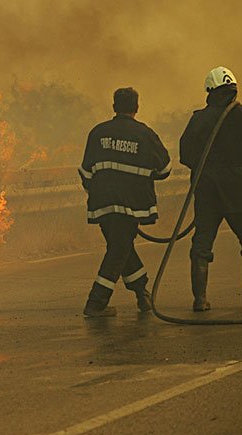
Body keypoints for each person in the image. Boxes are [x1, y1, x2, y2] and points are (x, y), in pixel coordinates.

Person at [179, 66, 242, 312]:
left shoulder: (198, 118)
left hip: (207, 188)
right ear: (233, 89)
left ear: (209, 91)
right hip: (239, 187)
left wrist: (210, 168)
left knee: (202, 243)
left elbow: (185, 155)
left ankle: (200, 299)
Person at [79, 87, 172, 317]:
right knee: (119, 249)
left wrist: (99, 190)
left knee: (121, 247)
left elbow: (86, 172)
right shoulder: (145, 134)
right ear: (136, 107)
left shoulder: (97, 133)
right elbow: (165, 169)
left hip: (102, 203)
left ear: (114, 107)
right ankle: (96, 302)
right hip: (131, 204)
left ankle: (142, 294)